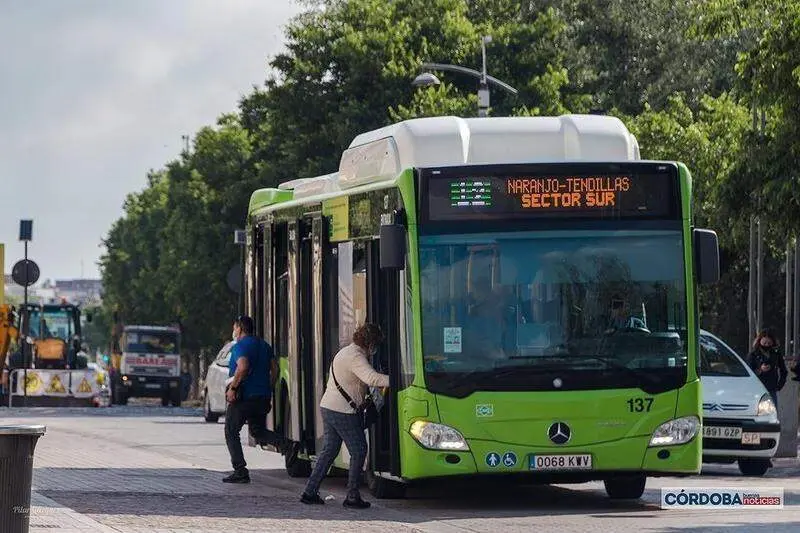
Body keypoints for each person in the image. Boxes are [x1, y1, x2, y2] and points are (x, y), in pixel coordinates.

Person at [300, 323, 389, 509]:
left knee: (329, 451)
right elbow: (371, 378)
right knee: (359, 450)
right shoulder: (356, 357)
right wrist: (395, 378)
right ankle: (352, 496)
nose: (376, 349)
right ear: (370, 343)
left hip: (329, 406)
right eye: (376, 344)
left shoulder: (346, 352)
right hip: (342, 411)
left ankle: (309, 491)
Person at [223, 315, 290, 484]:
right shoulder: (264, 345)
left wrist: (233, 388)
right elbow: (274, 369)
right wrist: (268, 387)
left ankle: (240, 471)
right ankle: (286, 445)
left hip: (244, 397)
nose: (234, 331)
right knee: (258, 431)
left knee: (231, 430)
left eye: (234, 328)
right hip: (262, 396)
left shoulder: (240, 346)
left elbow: (243, 366)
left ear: (240, 329)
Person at [747, 328, 788, 408]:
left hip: (771, 388)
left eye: (769, 343)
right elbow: (749, 372)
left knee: (772, 413)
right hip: (757, 389)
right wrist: (760, 370)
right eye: (764, 343)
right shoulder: (753, 355)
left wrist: (780, 385)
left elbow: (783, 370)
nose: (766, 345)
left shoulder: (776, 354)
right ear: (759, 341)